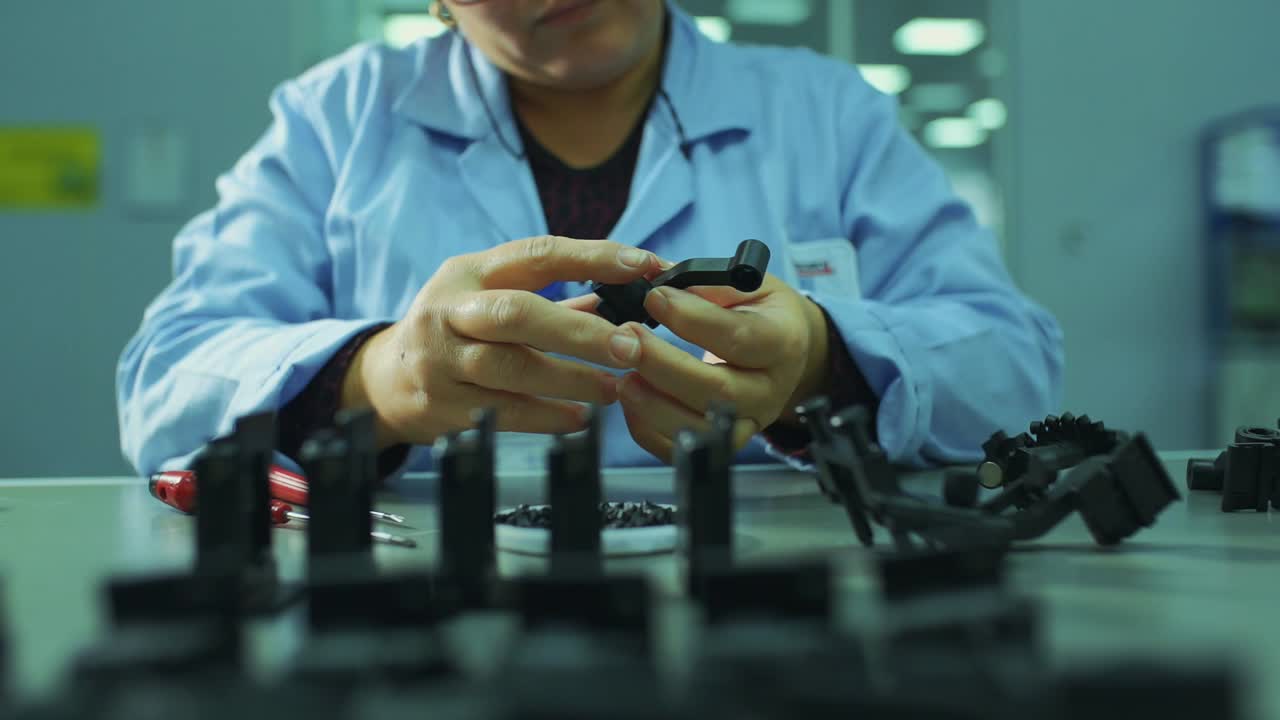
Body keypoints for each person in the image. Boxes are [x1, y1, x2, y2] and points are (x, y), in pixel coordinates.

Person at [116, 0, 1063, 479]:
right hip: (421, 616)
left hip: (775, 603)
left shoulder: (829, 113)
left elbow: (1013, 369)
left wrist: (818, 364)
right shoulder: (336, 117)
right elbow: (165, 380)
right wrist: (382, 380)